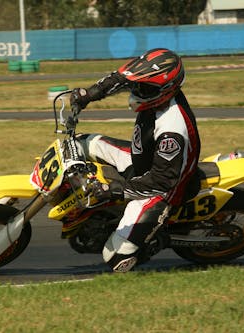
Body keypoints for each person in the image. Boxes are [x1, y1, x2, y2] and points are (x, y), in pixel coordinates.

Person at [70, 48, 201, 272]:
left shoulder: (172, 129)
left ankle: (153, 241)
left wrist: (115, 189)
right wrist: (89, 94)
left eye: (144, 87)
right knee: (79, 144)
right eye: (137, 84)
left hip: (160, 188)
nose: (137, 90)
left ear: (166, 89)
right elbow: (120, 78)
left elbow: (162, 181)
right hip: (141, 160)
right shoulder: (154, 88)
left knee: (116, 260)